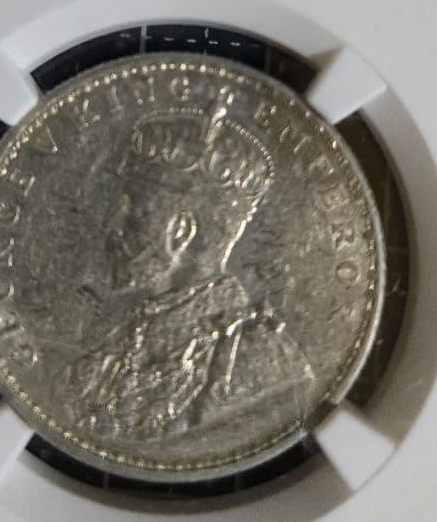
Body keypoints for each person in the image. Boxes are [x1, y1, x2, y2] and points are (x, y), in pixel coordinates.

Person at [70, 101, 315, 442]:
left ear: (180, 233)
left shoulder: (264, 360)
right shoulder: (123, 331)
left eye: (132, 216)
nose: (112, 230)